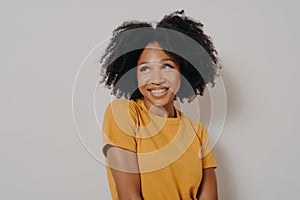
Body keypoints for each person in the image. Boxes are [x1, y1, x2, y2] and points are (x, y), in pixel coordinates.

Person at [100, 10, 221, 200]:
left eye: (167, 66)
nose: (156, 79)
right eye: (145, 68)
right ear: (134, 74)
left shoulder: (197, 132)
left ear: (183, 70)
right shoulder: (123, 114)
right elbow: (129, 197)